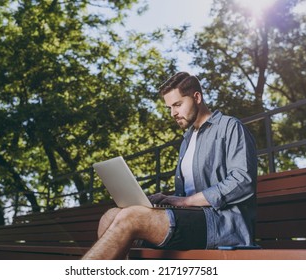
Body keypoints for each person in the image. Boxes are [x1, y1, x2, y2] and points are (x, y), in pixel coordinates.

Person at [82, 72, 257, 260]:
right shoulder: (187, 140)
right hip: (190, 219)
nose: (173, 113)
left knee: (131, 217)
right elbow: (186, 195)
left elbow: (242, 182)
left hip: (220, 224)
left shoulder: (230, 127)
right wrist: (169, 198)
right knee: (111, 215)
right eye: (169, 107)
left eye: (177, 105)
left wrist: (185, 201)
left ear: (197, 97)